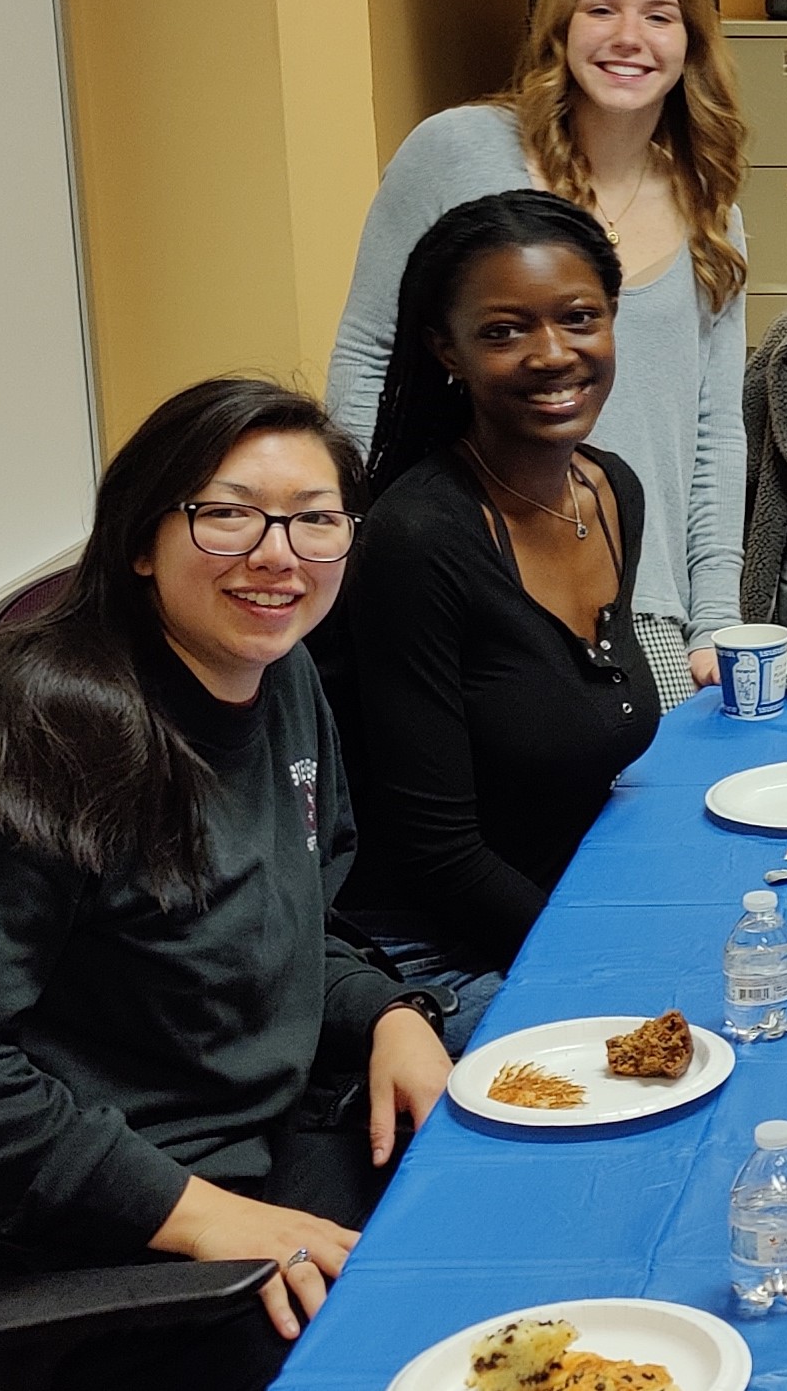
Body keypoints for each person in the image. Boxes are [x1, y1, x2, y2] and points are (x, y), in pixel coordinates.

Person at [0, 379, 453, 1391]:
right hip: (39, 1253)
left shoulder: (280, 681)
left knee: (504, 1185)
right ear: (143, 538)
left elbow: (284, 921)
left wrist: (389, 1012)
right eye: (228, 513)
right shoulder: (38, 728)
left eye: (317, 519)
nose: (277, 553)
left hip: (235, 1153)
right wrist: (200, 1215)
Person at [324, 0, 748, 708]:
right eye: (600, 8)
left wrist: (715, 615)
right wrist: (362, 539)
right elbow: (367, 355)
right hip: (469, 578)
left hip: (638, 592)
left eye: (659, 15)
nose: (629, 36)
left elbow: (715, 427)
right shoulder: (458, 150)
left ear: (691, 43)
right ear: (559, 24)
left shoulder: (709, 208)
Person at [314, 191, 657, 1002]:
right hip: (442, 952)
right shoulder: (420, 536)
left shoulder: (612, 491)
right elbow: (437, 852)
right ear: (447, 349)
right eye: (504, 330)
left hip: (569, 899)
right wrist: (610, 963)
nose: (552, 353)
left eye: (579, 317)